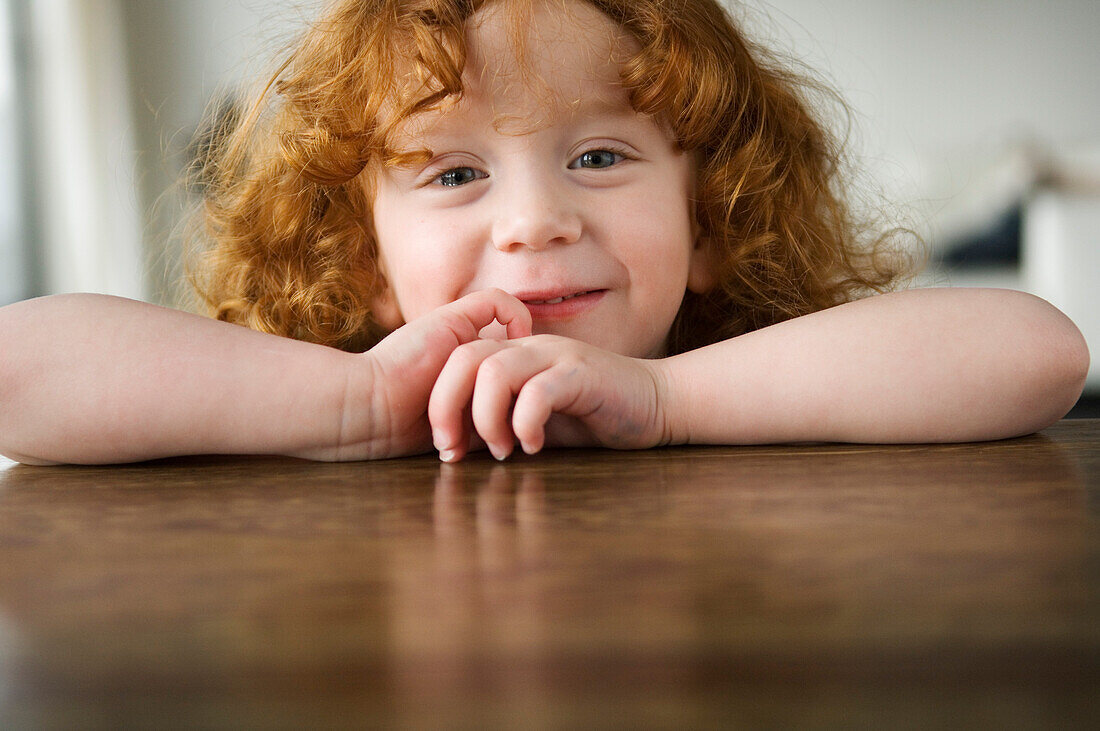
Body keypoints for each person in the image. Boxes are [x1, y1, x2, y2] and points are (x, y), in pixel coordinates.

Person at [0, 0, 1089, 466]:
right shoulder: (348, 391)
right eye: (457, 171)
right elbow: (18, 370)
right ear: (364, 260)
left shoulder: (752, 377)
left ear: (707, 219)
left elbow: (1038, 352)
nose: (534, 221)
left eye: (599, 156)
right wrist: (353, 402)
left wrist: (668, 401)